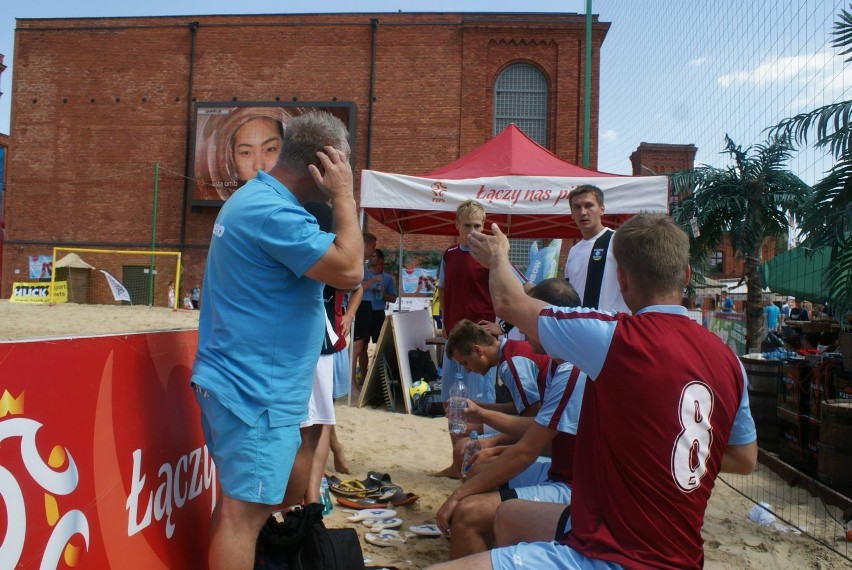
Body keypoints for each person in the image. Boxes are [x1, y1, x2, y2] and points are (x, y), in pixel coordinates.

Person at [431, 213, 757, 570]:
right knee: (509, 517)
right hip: (677, 553)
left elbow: (510, 305)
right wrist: (663, 451)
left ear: (621, 277)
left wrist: (499, 257)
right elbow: (744, 459)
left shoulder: (616, 338)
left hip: (615, 553)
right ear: (687, 275)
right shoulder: (730, 361)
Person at [190, 110, 362, 570]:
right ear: (327, 162)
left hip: (245, 383)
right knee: (242, 517)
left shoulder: (259, 199)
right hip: (255, 390)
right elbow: (350, 270)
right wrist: (343, 195)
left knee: (239, 508)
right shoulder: (274, 212)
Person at [437, 279, 585, 559]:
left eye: (528, 322)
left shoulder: (561, 368)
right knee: (478, 471)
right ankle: (480, 545)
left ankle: (478, 545)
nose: (523, 332)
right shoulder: (559, 362)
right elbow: (547, 432)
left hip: (573, 486)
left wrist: (489, 436)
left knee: (469, 508)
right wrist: (484, 416)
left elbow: (530, 432)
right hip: (561, 467)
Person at [435, 200, 527, 478]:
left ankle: (474, 467)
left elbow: (521, 290)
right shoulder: (449, 254)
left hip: (479, 348)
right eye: (468, 225)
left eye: (478, 225)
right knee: (452, 405)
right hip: (455, 345)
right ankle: (456, 463)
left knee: (479, 406)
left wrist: (503, 326)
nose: (473, 230)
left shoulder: (492, 254)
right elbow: (443, 289)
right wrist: (443, 322)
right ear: (457, 226)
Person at [440, 319, 551, 480]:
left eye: (466, 363)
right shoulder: (511, 352)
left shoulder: (512, 364)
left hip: (549, 438)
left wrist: (490, 437)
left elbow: (531, 425)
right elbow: (520, 408)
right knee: (466, 441)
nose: (468, 370)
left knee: (466, 454)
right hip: (546, 426)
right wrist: (481, 407)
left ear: (478, 350)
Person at [563, 185, 629, 313]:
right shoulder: (573, 251)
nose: (583, 212)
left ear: (601, 209)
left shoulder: (618, 241)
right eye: (577, 207)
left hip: (612, 327)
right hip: (579, 327)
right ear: (571, 214)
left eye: (589, 205)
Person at [352, 233, 377, 388]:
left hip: (366, 305)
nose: (374, 251)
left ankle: (360, 379)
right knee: (357, 347)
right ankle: (351, 382)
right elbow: (358, 287)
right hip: (360, 306)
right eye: (373, 247)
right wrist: (374, 280)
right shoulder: (357, 262)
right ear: (366, 245)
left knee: (363, 346)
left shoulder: (364, 264)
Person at [366, 249, 398, 345]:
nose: (371, 258)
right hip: (364, 311)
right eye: (370, 256)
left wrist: (383, 294)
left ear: (380, 260)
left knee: (380, 344)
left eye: (374, 256)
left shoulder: (387, 278)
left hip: (378, 313)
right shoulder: (364, 275)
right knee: (361, 345)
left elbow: (393, 299)